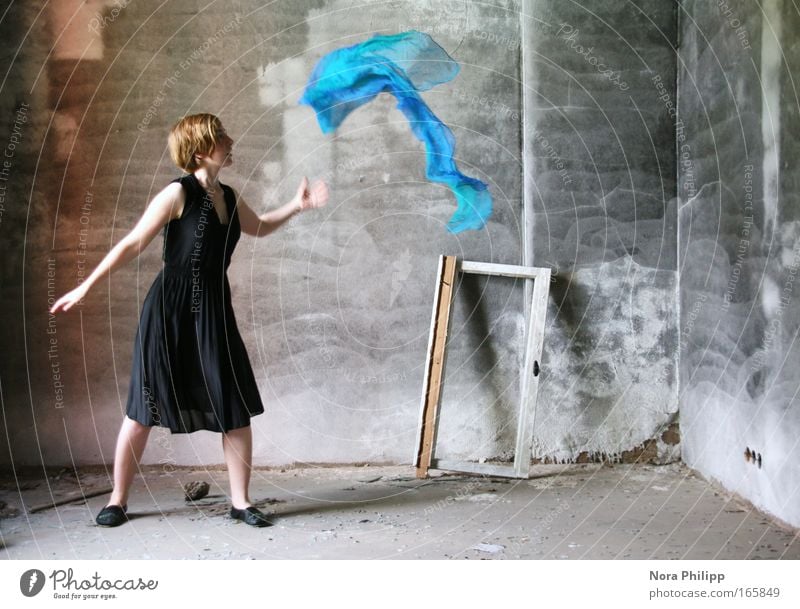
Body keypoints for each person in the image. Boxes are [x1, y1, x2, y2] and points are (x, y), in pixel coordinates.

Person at [49, 113, 329, 527]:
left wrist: (297, 205)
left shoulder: (229, 197)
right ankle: (117, 500)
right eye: (222, 137)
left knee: (231, 404)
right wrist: (85, 286)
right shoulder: (177, 193)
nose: (231, 140)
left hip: (214, 311)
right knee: (144, 407)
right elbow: (132, 242)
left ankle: (241, 502)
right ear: (201, 149)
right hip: (170, 311)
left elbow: (261, 227)